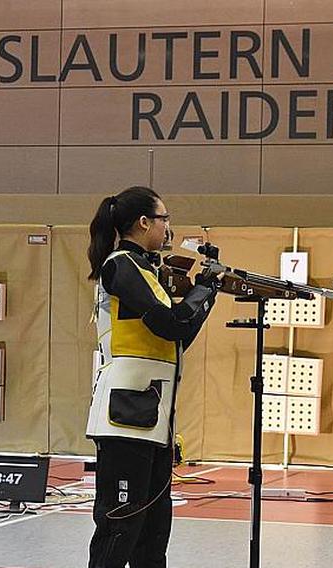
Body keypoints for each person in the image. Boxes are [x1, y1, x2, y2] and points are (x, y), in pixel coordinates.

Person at [86, 186, 219, 568]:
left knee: (154, 531)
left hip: (153, 420)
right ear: (144, 223)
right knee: (121, 527)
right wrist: (204, 289)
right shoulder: (122, 263)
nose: (167, 227)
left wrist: (204, 296)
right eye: (164, 219)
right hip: (125, 417)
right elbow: (171, 322)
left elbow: (178, 338)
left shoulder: (147, 270)